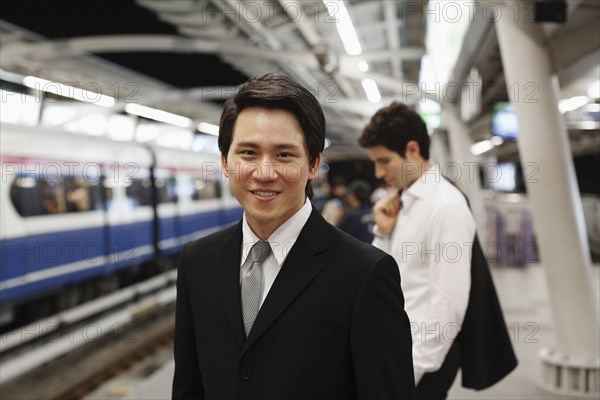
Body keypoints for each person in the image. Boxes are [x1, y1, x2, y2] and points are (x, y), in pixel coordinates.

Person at [172, 74, 415, 400]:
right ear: (225, 163)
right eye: (248, 153)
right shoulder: (197, 262)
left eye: (284, 155)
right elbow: (189, 388)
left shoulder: (364, 275)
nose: (265, 172)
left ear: (313, 164)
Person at [358, 102, 517, 400]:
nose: (378, 172)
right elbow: (383, 274)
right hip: (397, 347)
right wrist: (383, 231)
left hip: (420, 361)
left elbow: (449, 304)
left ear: (413, 150)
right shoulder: (403, 202)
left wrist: (411, 371)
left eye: (384, 161)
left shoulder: (446, 207)